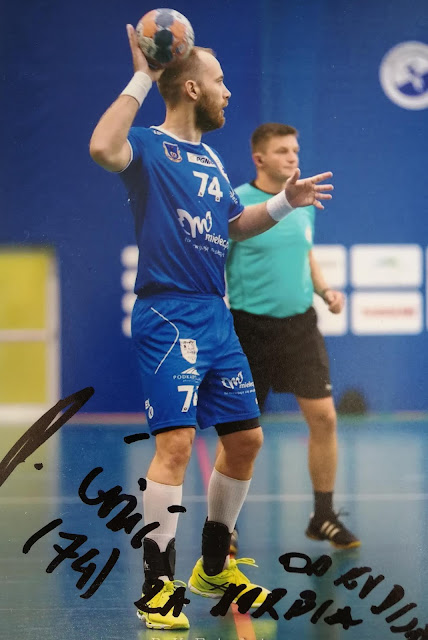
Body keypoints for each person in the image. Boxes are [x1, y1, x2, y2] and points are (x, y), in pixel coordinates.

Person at [89, 25, 333, 631]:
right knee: (175, 445)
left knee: (246, 440)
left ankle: (214, 567)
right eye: (219, 81)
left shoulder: (210, 159)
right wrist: (143, 75)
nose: (228, 91)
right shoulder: (148, 146)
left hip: (215, 314)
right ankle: (156, 587)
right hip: (168, 313)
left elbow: (234, 225)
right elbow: (101, 147)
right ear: (193, 88)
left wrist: (285, 200)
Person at [225, 122, 360, 553]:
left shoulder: (303, 199)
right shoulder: (235, 203)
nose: (293, 157)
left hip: (299, 327)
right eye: (282, 150)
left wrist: (325, 291)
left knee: (324, 419)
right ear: (259, 159)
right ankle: (223, 527)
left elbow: (305, 252)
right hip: (249, 329)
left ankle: (323, 516)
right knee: (242, 435)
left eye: (296, 150)